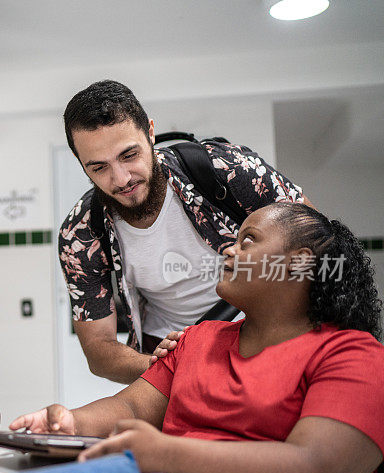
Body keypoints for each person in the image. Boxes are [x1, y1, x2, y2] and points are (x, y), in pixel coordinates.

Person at [13, 202, 384, 473]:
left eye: (248, 240)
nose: (229, 249)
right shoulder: (199, 339)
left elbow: (313, 472)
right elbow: (131, 407)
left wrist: (166, 454)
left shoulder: (354, 357)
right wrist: (69, 424)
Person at [59, 80, 315, 383]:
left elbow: (318, 240)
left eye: (129, 155)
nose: (121, 178)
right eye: (98, 167)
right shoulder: (81, 233)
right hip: (166, 349)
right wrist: (168, 368)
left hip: (264, 327)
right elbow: (99, 351)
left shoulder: (228, 168)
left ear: (150, 132)